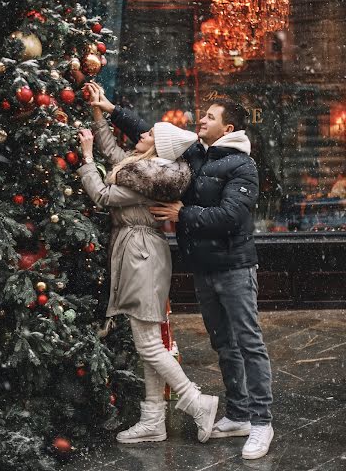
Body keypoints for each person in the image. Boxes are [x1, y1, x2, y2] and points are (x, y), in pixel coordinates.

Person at [85, 83, 273, 461]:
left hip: (234, 265)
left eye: (210, 117)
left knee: (248, 342)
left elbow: (232, 216)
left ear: (230, 127)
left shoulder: (241, 164)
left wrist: (181, 214)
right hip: (203, 267)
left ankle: (261, 421)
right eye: (203, 116)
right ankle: (236, 415)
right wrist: (110, 109)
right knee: (223, 344)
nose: (201, 120)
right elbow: (153, 136)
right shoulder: (197, 156)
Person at [77, 83, 219, 445]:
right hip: (140, 250)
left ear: (156, 147)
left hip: (141, 254)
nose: (141, 134)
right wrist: (98, 115)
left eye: (148, 134)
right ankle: (153, 420)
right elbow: (117, 155)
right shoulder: (144, 168)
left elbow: (103, 194)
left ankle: (195, 401)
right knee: (150, 341)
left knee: (149, 345)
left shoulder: (150, 181)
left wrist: (86, 158)